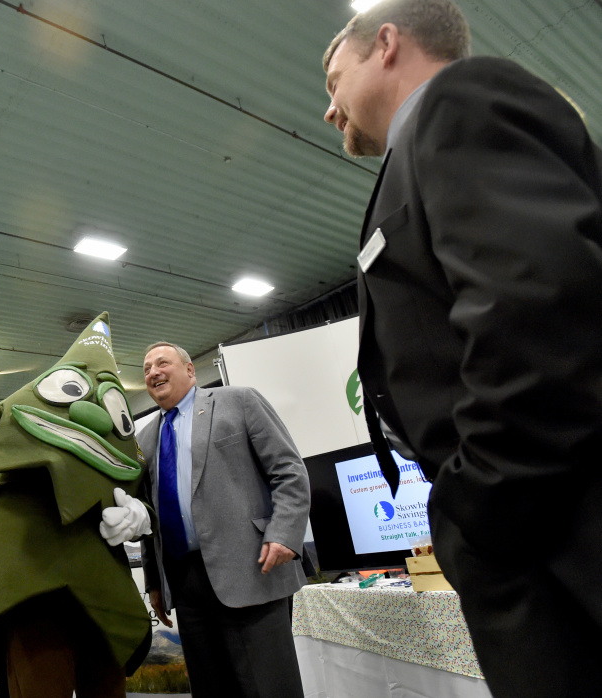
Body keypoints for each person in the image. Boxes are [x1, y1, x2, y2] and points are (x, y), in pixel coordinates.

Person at [322, 1, 602, 695]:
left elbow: (538, 311)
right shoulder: (415, 154)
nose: (329, 110)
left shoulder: (460, 101)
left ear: (384, 43)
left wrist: (475, 512)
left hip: (553, 530)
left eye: (332, 81)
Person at [0, 304, 153, 698]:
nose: (92, 414)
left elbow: (138, 489)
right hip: (30, 590)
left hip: (101, 594)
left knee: (107, 687)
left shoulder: (122, 454)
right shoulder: (17, 426)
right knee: (40, 684)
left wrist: (142, 514)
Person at [139, 342, 309, 698]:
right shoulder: (146, 439)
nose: (153, 372)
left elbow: (289, 472)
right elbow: (149, 517)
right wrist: (155, 582)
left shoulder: (239, 401)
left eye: (162, 362)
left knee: (268, 687)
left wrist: (283, 534)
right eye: (146, 368)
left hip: (251, 570)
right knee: (211, 689)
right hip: (185, 584)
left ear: (189, 370)